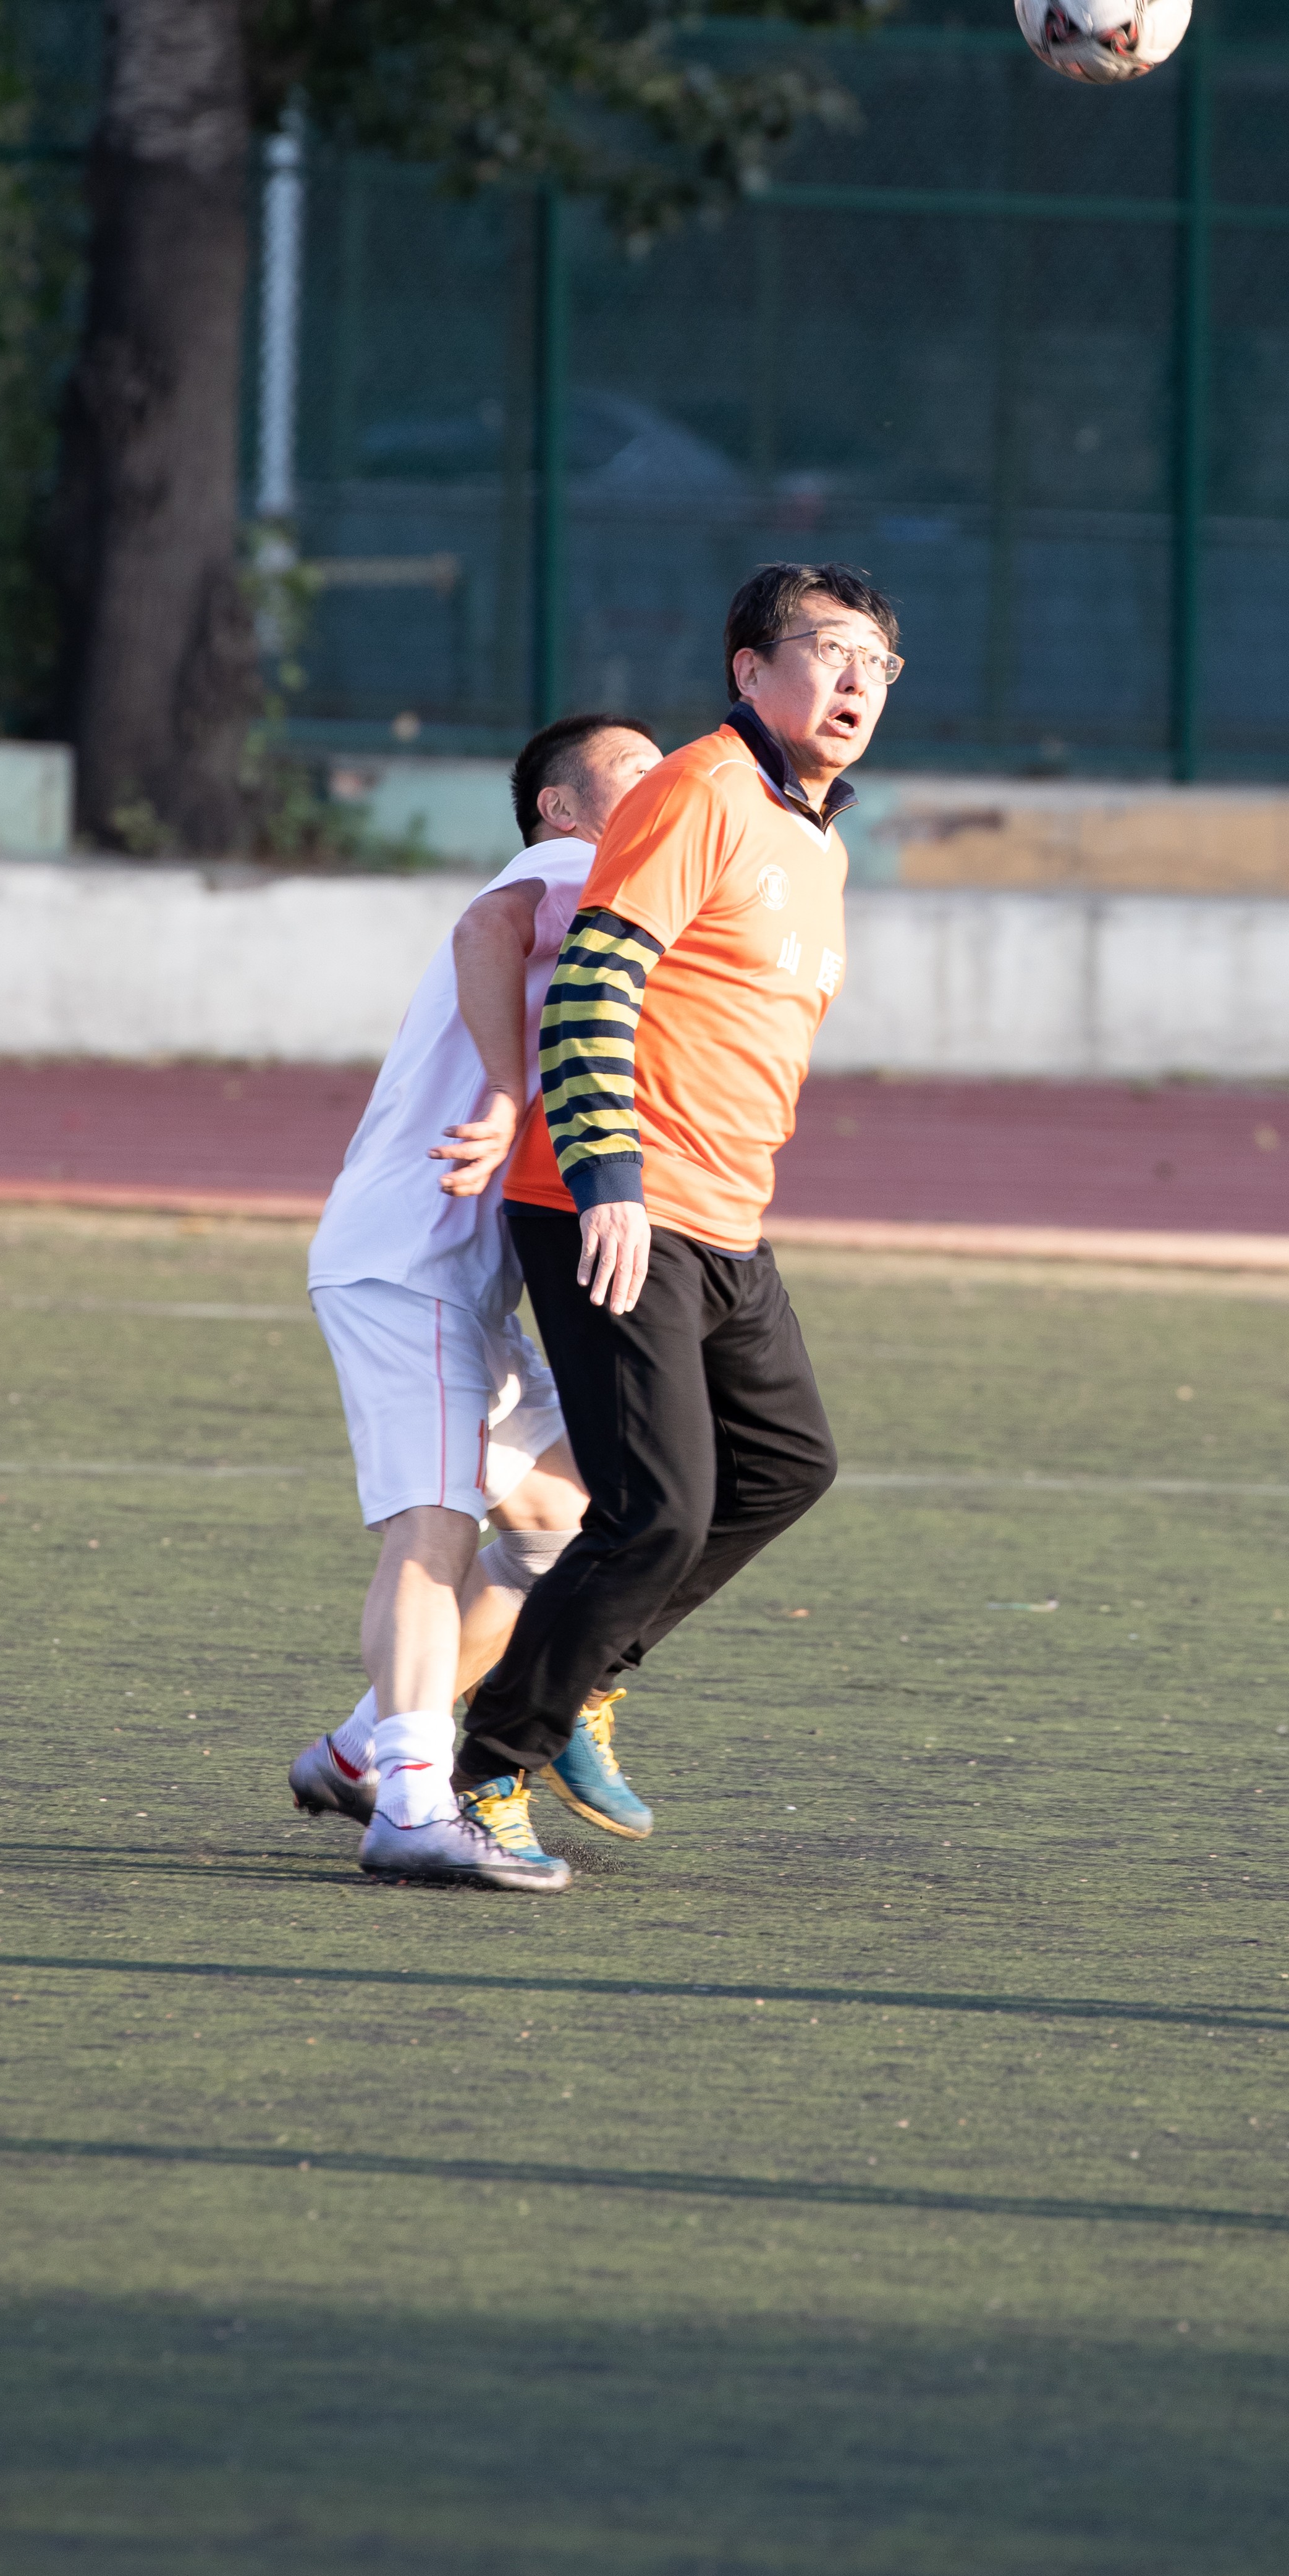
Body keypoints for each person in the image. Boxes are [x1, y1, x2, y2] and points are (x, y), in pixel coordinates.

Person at [442, 564, 902, 1886]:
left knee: (787, 1466)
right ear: (750, 670)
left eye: (878, 662)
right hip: (617, 1202)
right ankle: (484, 1775)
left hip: (726, 1218)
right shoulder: (699, 790)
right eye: (828, 650)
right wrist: (610, 1183)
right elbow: (594, 984)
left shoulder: (820, 839)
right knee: (655, 1511)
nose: (857, 680)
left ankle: (584, 1674)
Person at [292, 710, 661, 1890]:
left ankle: (362, 1750)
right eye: (635, 770)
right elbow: (486, 927)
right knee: (433, 1527)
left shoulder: (626, 890)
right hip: (411, 1263)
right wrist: (507, 1090)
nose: (662, 783)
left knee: (564, 1530)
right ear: (563, 806)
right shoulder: (570, 869)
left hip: (458, 1281)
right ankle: (411, 1808)